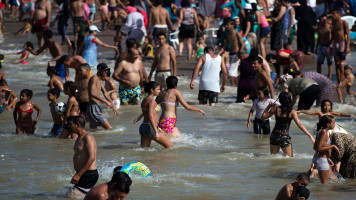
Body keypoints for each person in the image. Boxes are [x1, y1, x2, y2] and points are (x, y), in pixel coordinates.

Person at [261, 92, 315, 157]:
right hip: (284, 136)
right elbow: (299, 124)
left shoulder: (275, 109)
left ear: (280, 100)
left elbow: (263, 117)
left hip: (274, 135)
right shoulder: (292, 112)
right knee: (289, 158)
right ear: (289, 100)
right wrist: (310, 135)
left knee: (273, 157)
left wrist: (268, 107)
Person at [134, 81, 173, 148]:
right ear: (152, 90)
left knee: (145, 151)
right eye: (158, 89)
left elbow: (147, 111)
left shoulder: (145, 100)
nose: (159, 91)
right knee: (171, 147)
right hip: (151, 127)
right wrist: (156, 132)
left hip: (143, 127)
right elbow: (150, 116)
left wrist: (139, 117)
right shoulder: (152, 101)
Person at [67, 116, 98, 197]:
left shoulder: (88, 137)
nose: (68, 126)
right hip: (82, 173)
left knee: (70, 196)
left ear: (77, 125)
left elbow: (92, 157)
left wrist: (79, 175)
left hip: (89, 174)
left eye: (70, 124)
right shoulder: (78, 138)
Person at [87, 63, 118, 129]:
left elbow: (105, 93)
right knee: (109, 128)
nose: (106, 72)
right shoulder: (94, 78)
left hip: (97, 106)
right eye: (104, 70)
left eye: (106, 70)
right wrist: (105, 101)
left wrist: (113, 105)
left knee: (93, 129)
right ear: (98, 70)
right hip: (93, 106)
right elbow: (92, 93)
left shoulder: (99, 79)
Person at [313, 115, 340, 184]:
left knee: (324, 181)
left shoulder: (320, 131)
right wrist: (332, 146)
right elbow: (319, 148)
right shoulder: (324, 133)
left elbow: (315, 147)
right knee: (324, 184)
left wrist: (327, 158)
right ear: (328, 124)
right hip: (322, 160)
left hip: (319, 158)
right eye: (333, 123)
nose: (334, 124)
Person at [316, 14, 333, 80]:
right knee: (319, 63)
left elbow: (333, 37)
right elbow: (318, 38)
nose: (322, 21)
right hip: (321, 46)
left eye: (323, 19)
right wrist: (316, 47)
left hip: (328, 46)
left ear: (327, 19)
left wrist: (330, 46)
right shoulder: (319, 26)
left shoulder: (330, 26)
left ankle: (329, 78)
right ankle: (319, 78)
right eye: (321, 19)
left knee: (329, 63)